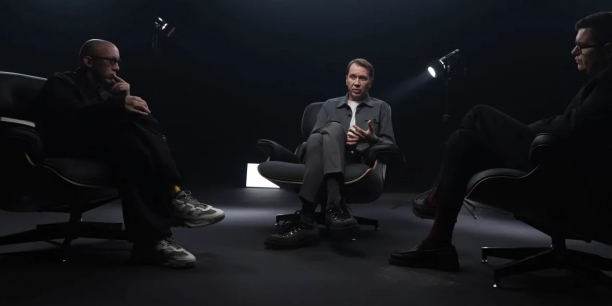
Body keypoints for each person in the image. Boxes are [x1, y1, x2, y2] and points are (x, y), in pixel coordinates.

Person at [389, 12, 612, 271]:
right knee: (465, 141)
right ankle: (437, 242)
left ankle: (437, 199)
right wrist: (525, 132)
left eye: (582, 46)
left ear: (608, 49)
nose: (573, 52)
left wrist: (527, 134)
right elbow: (572, 123)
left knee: (479, 114)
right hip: (570, 160)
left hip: (574, 171)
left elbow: (572, 129)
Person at [33, 39, 225, 269]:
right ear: (89, 61)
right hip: (64, 147)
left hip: (103, 149)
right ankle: (172, 198)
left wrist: (121, 99)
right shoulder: (61, 82)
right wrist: (118, 105)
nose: (116, 68)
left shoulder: (103, 94)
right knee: (133, 136)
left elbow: (128, 124)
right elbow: (67, 116)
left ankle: (151, 241)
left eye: (118, 62)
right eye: (111, 61)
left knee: (137, 150)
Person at [264, 58, 397, 249]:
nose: (357, 82)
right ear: (346, 79)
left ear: (371, 82)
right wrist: (338, 138)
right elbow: (315, 136)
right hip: (319, 155)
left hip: (354, 160)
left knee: (326, 132)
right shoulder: (329, 105)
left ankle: (307, 218)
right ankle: (334, 206)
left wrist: (371, 139)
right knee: (327, 132)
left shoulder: (381, 107)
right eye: (353, 77)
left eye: (362, 78)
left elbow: (390, 146)